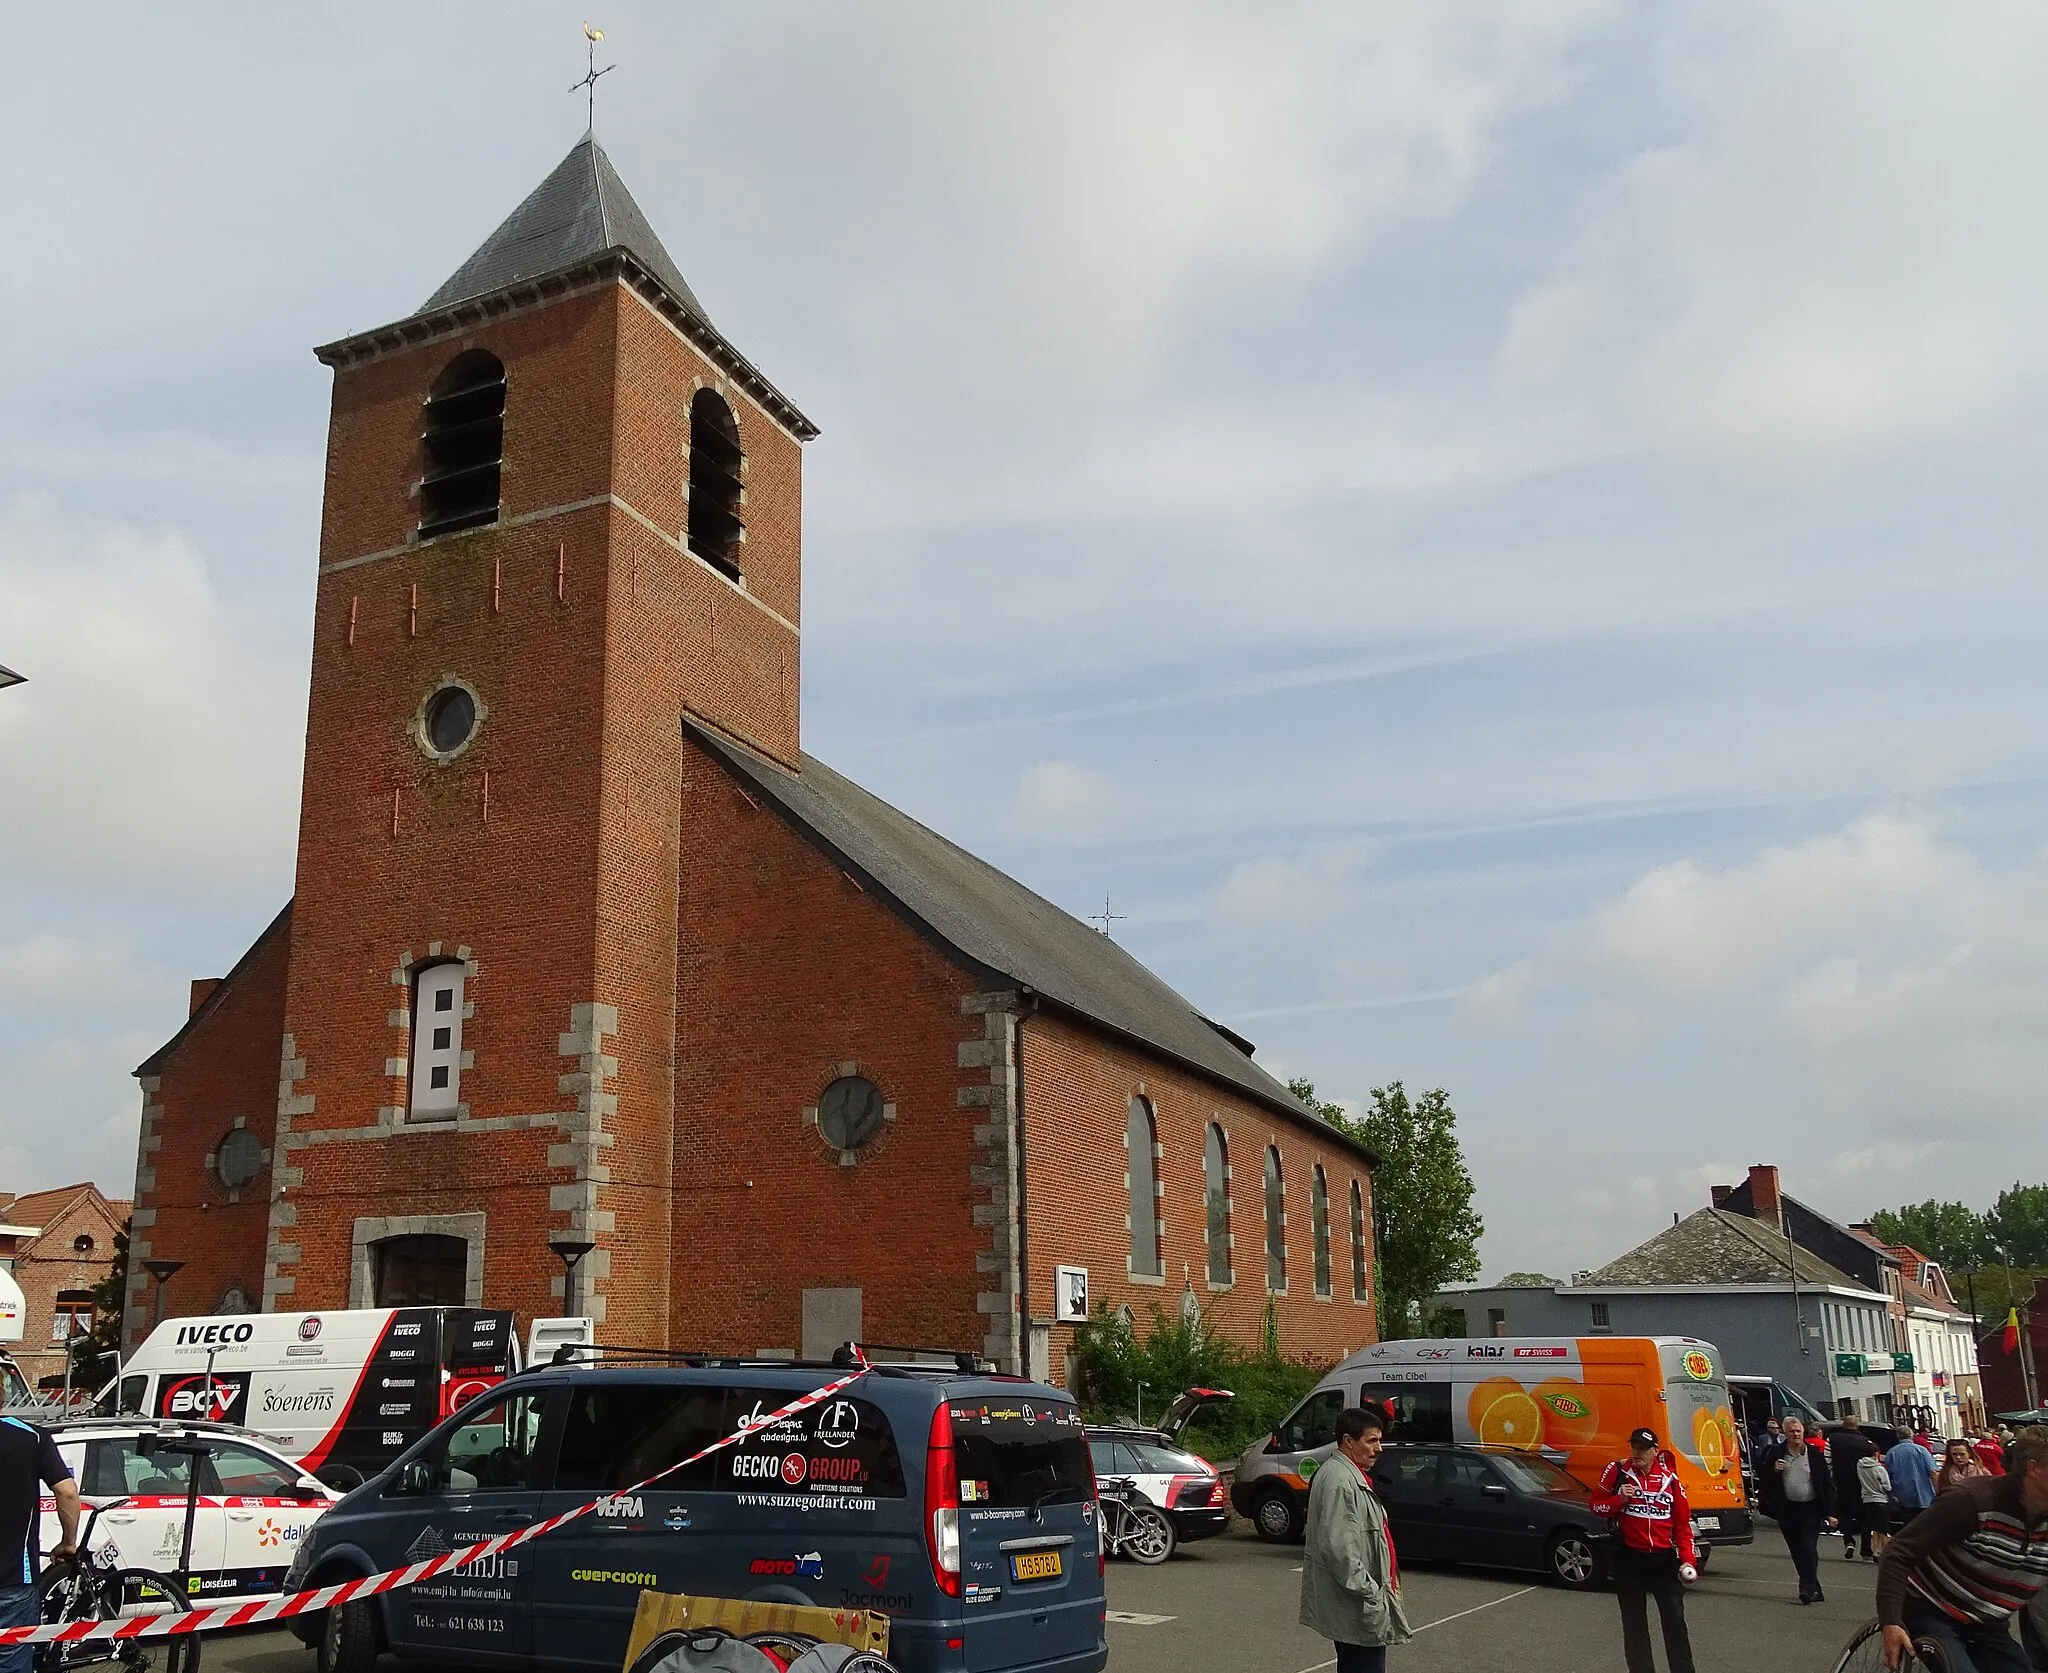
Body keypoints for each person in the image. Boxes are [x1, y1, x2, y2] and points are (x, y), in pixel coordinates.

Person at [1877, 1426, 2048, 1672]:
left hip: (1988, 1622)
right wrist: (1890, 1622)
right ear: (2033, 1468)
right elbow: (1898, 1552)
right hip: (1931, 1609)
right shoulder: (1972, 1500)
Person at [1299, 1406, 1410, 1673]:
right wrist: (1372, 1593)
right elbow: (1339, 1550)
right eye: (1371, 1440)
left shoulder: (1347, 1474)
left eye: (1379, 1440)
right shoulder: (1340, 1480)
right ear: (1349, 1441)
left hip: (1357, 1606)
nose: (1379, 1448)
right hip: (1358, 1607)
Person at [1590, 1426, 1698, 1673]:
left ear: (1654, 1451)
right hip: (1629, 1557)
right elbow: (1595, 1506)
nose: (1637, 1452)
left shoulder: (1670, 1480)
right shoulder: (1617, 1471)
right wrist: (1619, 1500)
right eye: (1634, 1447)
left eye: (1643, 1448)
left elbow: (1682, 1526)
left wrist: (1688, 1560)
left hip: (1662, 1560)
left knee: (1675, 1622)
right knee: (1634, 1624)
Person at [0, 1413, 79, 1673]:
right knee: (12, 1662)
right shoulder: (31, 1436)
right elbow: (67, 1492)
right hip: (13, 1580)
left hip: (14, 1584)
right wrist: (68, 1543)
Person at [1759, 1414, 1836, 1603]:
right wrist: (1773, 1470)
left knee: (1808, 1547)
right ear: (1785, 1433)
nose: (1796, 1434)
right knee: (1797, 1550)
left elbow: (1827, 1484)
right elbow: (1763, 1479)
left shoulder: (1814, 1454)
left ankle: (1806, 1589)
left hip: (1811, 1509)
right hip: (1787, 1509)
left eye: (1798, 1431)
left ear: (1803, 1432)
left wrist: (1831, 1512)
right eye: (1792, 1431)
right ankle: (1814, 1588)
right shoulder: (1776, 1452)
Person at [1832, 1415, 1879, 1561]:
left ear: (1843, 1425)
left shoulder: (1833, 1439)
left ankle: (1848, 1541)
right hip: (1862, 1483)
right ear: (1857, 1426)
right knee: (1865, 1516)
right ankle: (1866, 1549)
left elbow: (1826, 1460)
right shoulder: (1866, 1443)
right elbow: (1874, 1463)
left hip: (1841, 1482)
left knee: (1844, 1513)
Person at [1888, 1427, 1939, 1529]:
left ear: (1898, 1436)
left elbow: (1888, 1475)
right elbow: (1933, 1473)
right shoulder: (1921, 1450)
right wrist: (1939, 1492)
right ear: (1911, 1436)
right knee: (1927, 1526)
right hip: (1924, 1496)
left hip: (1902, 1496)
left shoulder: (1891, 1453)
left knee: (1909, 1527)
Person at [1858, 1447, 1897, 1560]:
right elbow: (1886, 1486)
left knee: (1875, 1528)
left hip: (1866, 1499)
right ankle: (1886, 1555)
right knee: (1883, 1530)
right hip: (1880, 1500)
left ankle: (1876, 1551)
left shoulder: (1859, 1466)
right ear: (1876, 1454)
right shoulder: (1879, 1468)